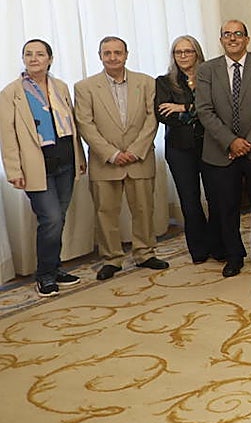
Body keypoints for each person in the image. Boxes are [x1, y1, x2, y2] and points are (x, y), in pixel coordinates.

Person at [75, 36, 170, 281]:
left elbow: (152, 119)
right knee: (105, 212)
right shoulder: (85, 87)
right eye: (107, 53)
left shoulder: (146, 82)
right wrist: (112, 154)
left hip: (140, 158)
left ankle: (145, 253)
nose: (113, 57)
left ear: (126, 55)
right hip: (104, 161)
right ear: (100, 56)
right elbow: (85, 124)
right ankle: (111, 259)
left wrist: (136, 150)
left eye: (118, 52)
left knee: (144, 209)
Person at [195, 20, 251, 278]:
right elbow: (204, 110)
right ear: (221, 39)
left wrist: (249, 141)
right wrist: (231, 141)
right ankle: (233, 256)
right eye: (227, 34)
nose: (232, 38)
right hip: (221, 151)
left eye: (238, 34)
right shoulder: (207, 70)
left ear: (247, 39)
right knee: (226, 207)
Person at [0, 39, 87, 296]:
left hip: (66, 163)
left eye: (39, 54)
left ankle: (55, 267)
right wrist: (14, 170)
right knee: (51, 219)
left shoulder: (60, 87)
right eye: (28, 54)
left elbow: (73, 127)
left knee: (58, 220)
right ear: (23, 59)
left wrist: (80, 158)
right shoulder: (11, 92)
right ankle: (45, 275)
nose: (34, 58)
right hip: (36, 167)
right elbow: (7, 135)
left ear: (50, 59)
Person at [155, 35, 224, 265]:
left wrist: (183, 107)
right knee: (190, 201)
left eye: (188, 51)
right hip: (180, 150)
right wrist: (196, 111)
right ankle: (199, 248)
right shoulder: (164, 82)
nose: (183, 56)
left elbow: (217, 109)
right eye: (178, 52)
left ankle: (218, 245)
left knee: (216, 198)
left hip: (210, 146)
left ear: (197, 54)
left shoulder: (210, 77)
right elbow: (165, 116)